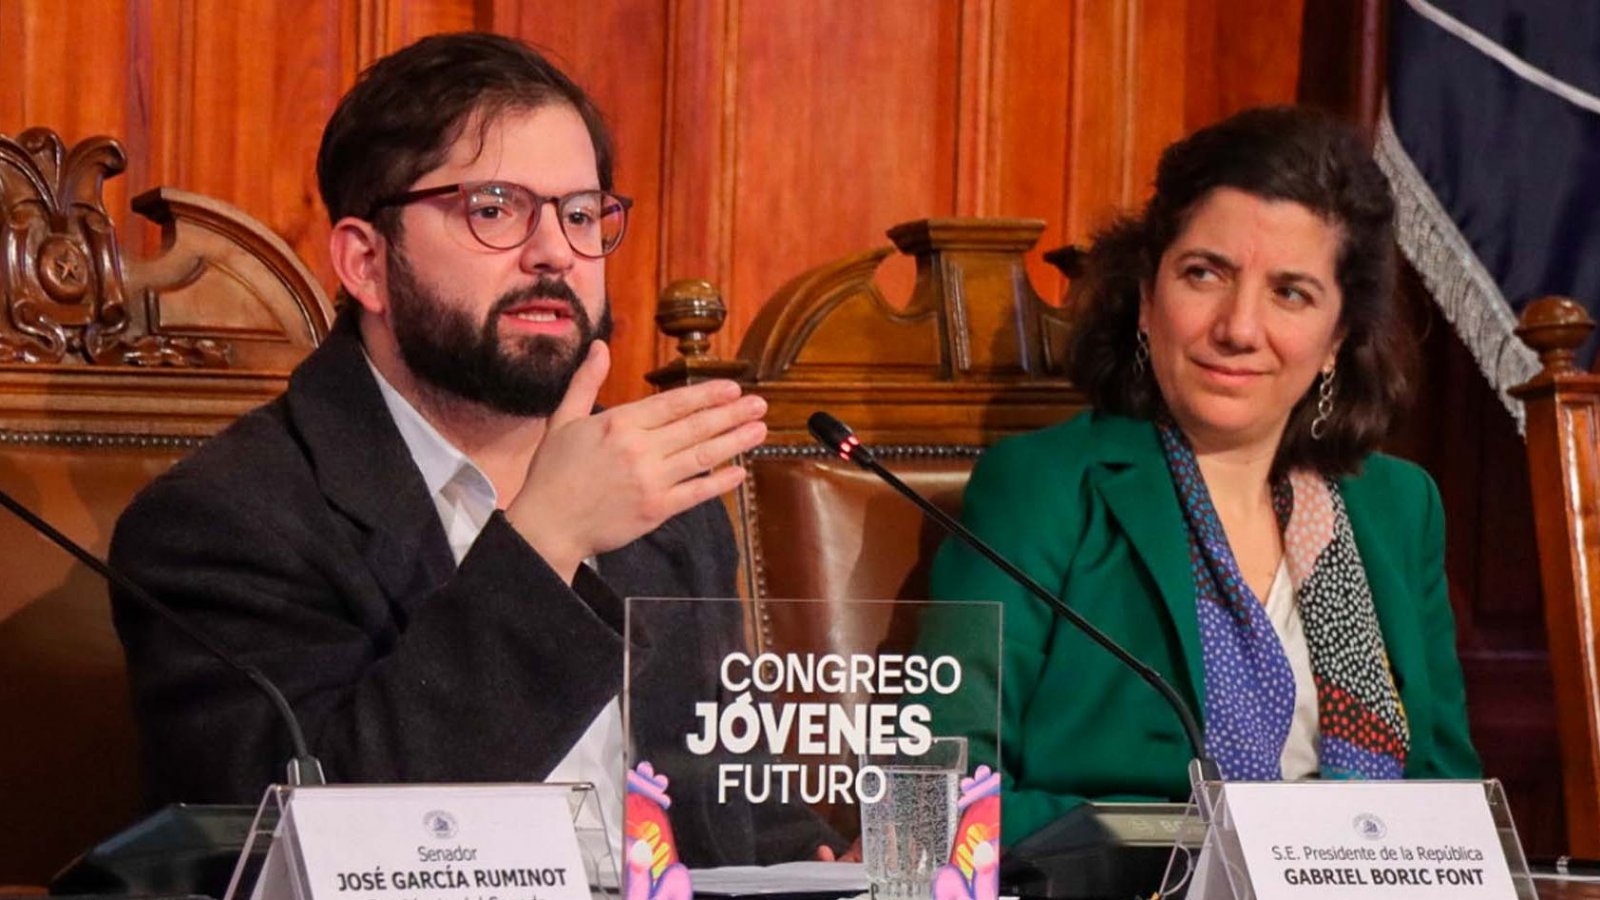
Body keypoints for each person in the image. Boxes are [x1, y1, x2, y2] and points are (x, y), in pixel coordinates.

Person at [109, 32, 829, 865]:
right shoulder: (223, 524)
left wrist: (810, 868)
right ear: (367, 264)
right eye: (494, 208)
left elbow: (737, 816)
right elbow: (306, 849)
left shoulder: (664, 504)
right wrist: (545, 542)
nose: (556, 251)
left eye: (582, 213)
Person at [928, 106, 1481, 846]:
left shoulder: (1397, 506)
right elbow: (943, 793)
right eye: (1204, 274)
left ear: (1336, 340)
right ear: (1147, 298)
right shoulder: (1041, 489)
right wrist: (1204, 840)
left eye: (1291, 293)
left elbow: (1446, 801)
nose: (1239, 328)